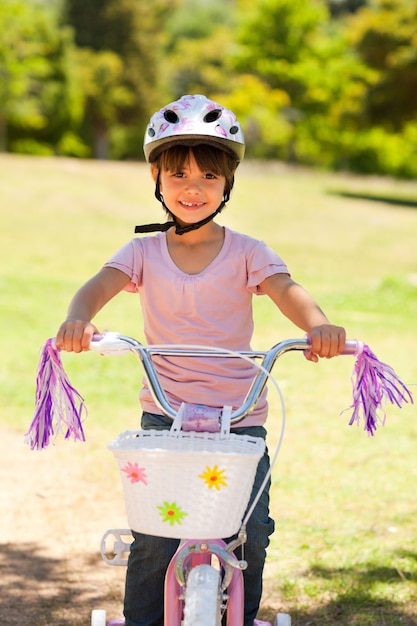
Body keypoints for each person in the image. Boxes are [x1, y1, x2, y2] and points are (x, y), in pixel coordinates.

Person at [56, 94, 346, 626]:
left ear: (228, 183)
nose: (193, 187)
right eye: (179, 174)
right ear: (156, 177)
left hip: (240, 420)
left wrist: (317, 327)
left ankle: (241, 614)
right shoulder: (141, 253)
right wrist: (79, 319)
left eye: (209, 176)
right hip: (165, 416)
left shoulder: (249, 252)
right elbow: (96, 288)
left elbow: (286, 291)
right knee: (154, 539)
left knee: (251, 534)